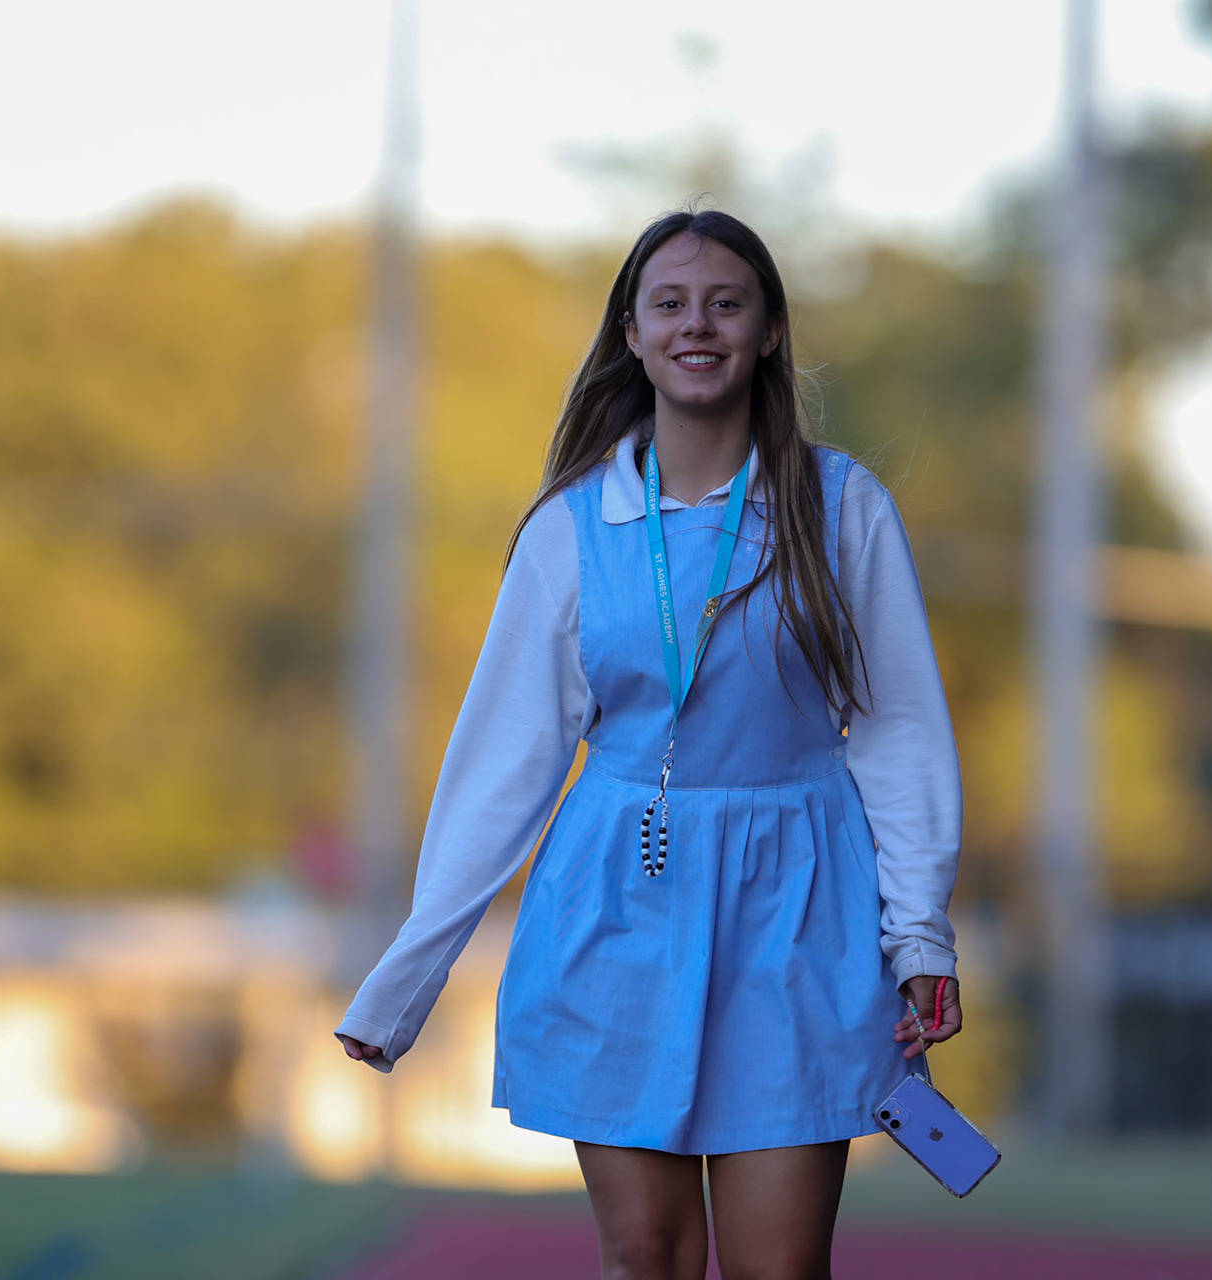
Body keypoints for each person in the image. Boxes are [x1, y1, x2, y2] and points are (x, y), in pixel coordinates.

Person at [333, 209, 964, 1280]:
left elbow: (899, 732)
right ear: (632, 331)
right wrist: (407, 973)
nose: (698, 325)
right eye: (670, 303)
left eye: (727, 302)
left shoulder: (842, 505)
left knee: (780, 1265)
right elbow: (505, 763)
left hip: (799, 909)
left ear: (769, 330)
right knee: (647, 1255)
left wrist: (920, 938)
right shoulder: (570, 528)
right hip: (615, 909)